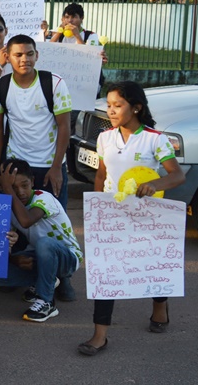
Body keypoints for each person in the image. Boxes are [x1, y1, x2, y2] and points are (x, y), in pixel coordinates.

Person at [77, 82, 185, 355]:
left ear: (135, 107)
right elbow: (101, 175)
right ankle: (99, 335)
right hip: (112, 214)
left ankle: (160, 306)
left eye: (118, 105)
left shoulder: (154, 139)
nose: (111, 111)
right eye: (109, 105)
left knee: (150, 264)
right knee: (105, 271)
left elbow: (177, 175)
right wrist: (96, 209)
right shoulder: (105, 137)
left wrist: (155, 184)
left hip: (146, 213)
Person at [0, 35, 72, 203]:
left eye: (29, 54)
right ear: (8, 57)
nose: (24, 59)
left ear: (37, 56)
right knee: (16, 222)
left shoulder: (54, 83)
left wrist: (56, 167)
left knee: (53, 223)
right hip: (15, 165)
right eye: (18, 55)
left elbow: (64, 126)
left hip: (49, 166)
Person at [0, 159, 83, 323]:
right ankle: (44, 281)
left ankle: (46, 302)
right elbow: (3, 241)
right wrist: (13, 258)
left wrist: (8, 189)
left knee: (45, 243)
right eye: (14, 187)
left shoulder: (44, 198)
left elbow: (26, 220)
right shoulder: (5, 207)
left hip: (68, 258)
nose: (20, 192)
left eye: (24, 185)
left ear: (33, 182)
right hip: (38, 254)